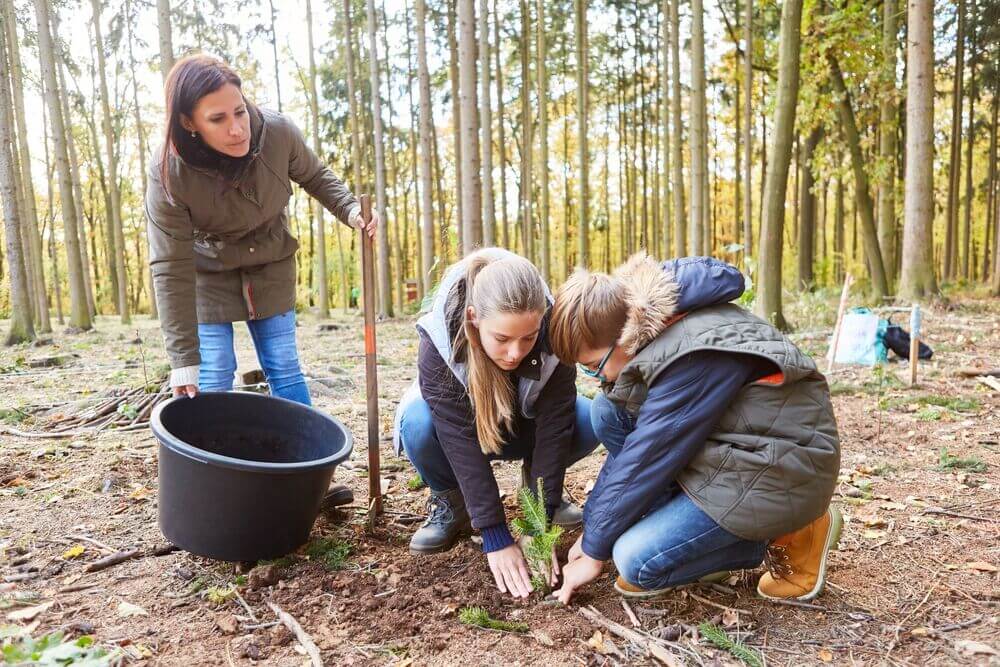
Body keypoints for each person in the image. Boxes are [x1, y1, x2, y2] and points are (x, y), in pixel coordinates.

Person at [548, 253, 842, 604]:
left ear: (622, 335)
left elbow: (648, 455)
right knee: (608, 411)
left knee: (634, 562)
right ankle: (690, 537)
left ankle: (794, 533)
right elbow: (639, 450)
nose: (597, 377)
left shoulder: (690, 353)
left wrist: (595, 548)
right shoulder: (660, 327)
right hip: (738, 448)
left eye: (595, 366)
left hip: (782, 468)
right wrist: (594, 528)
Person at [145, 54, 377, 405]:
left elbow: (315, 176)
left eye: (239, 111)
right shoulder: (169, 172)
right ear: (189, 122)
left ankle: (302, 458)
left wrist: (350, 209)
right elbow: (169, 266)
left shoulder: (278, 134)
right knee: (213, 370)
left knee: (284, 365)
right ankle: (212, 456)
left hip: (270, 259)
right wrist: (182, 360)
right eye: (217, 119)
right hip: (207, 269)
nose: (237, 129)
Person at [392, 248, 600, 599]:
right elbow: (457, 439)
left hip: (523, 424)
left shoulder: (554, 333)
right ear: (474, 318)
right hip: (464, 431)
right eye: (502, 339)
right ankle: (452, 502)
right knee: (417, 423)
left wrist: (538, 521)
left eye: (528, 338)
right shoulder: (440, 341)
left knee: (587, 416)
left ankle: (537, 491)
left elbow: (554, 427)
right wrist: (493, 533)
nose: (516, 353)